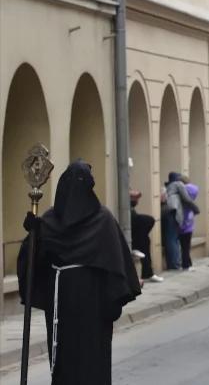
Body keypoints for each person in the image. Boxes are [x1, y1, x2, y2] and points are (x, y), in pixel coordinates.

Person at [18, 160, 141, 384]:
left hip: (81, 306)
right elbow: (33, 263)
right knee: (71, 360)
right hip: (70, 306)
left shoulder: (100, 221)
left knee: (84, 361)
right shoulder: (51, 221)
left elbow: (115, 266)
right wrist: (33, 236)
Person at [160, 172, 198, 271]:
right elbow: (187, 199)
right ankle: (174, 264)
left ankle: (173, 263)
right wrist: (196, 209)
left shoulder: (169, 187)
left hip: (166, 211)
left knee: (170, 238)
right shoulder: (178, 184)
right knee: (173, 239)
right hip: (174, 211)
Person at [129, 189, 163, 283]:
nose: (137, 201)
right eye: (135, 199)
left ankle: (148, 273)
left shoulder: (131, 208)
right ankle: (148, 273)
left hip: (136, 236)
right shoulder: (127, 207)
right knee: (144, 238)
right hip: (132, 235)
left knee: (145, 240)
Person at [179, 175, 199, 270]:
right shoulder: (193, 193)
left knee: (184, 247)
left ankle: (186, 264)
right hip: (190, 225)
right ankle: (189, 263)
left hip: (183, 225)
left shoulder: (183, 195)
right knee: (187, 246)